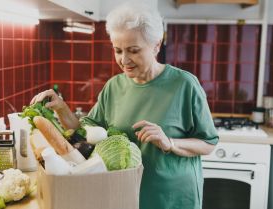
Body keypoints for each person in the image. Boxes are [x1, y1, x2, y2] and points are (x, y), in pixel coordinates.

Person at [30, 2, 219, 209]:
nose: (124, 59)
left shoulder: (184, 84)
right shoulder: (114, 86)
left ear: (156, 45)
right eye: (118, 50)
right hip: (123, 196)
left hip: (172, 198)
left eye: (133, 50)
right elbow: (84, 134)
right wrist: (61, 108)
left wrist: (169, 143)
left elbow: (208, 143)